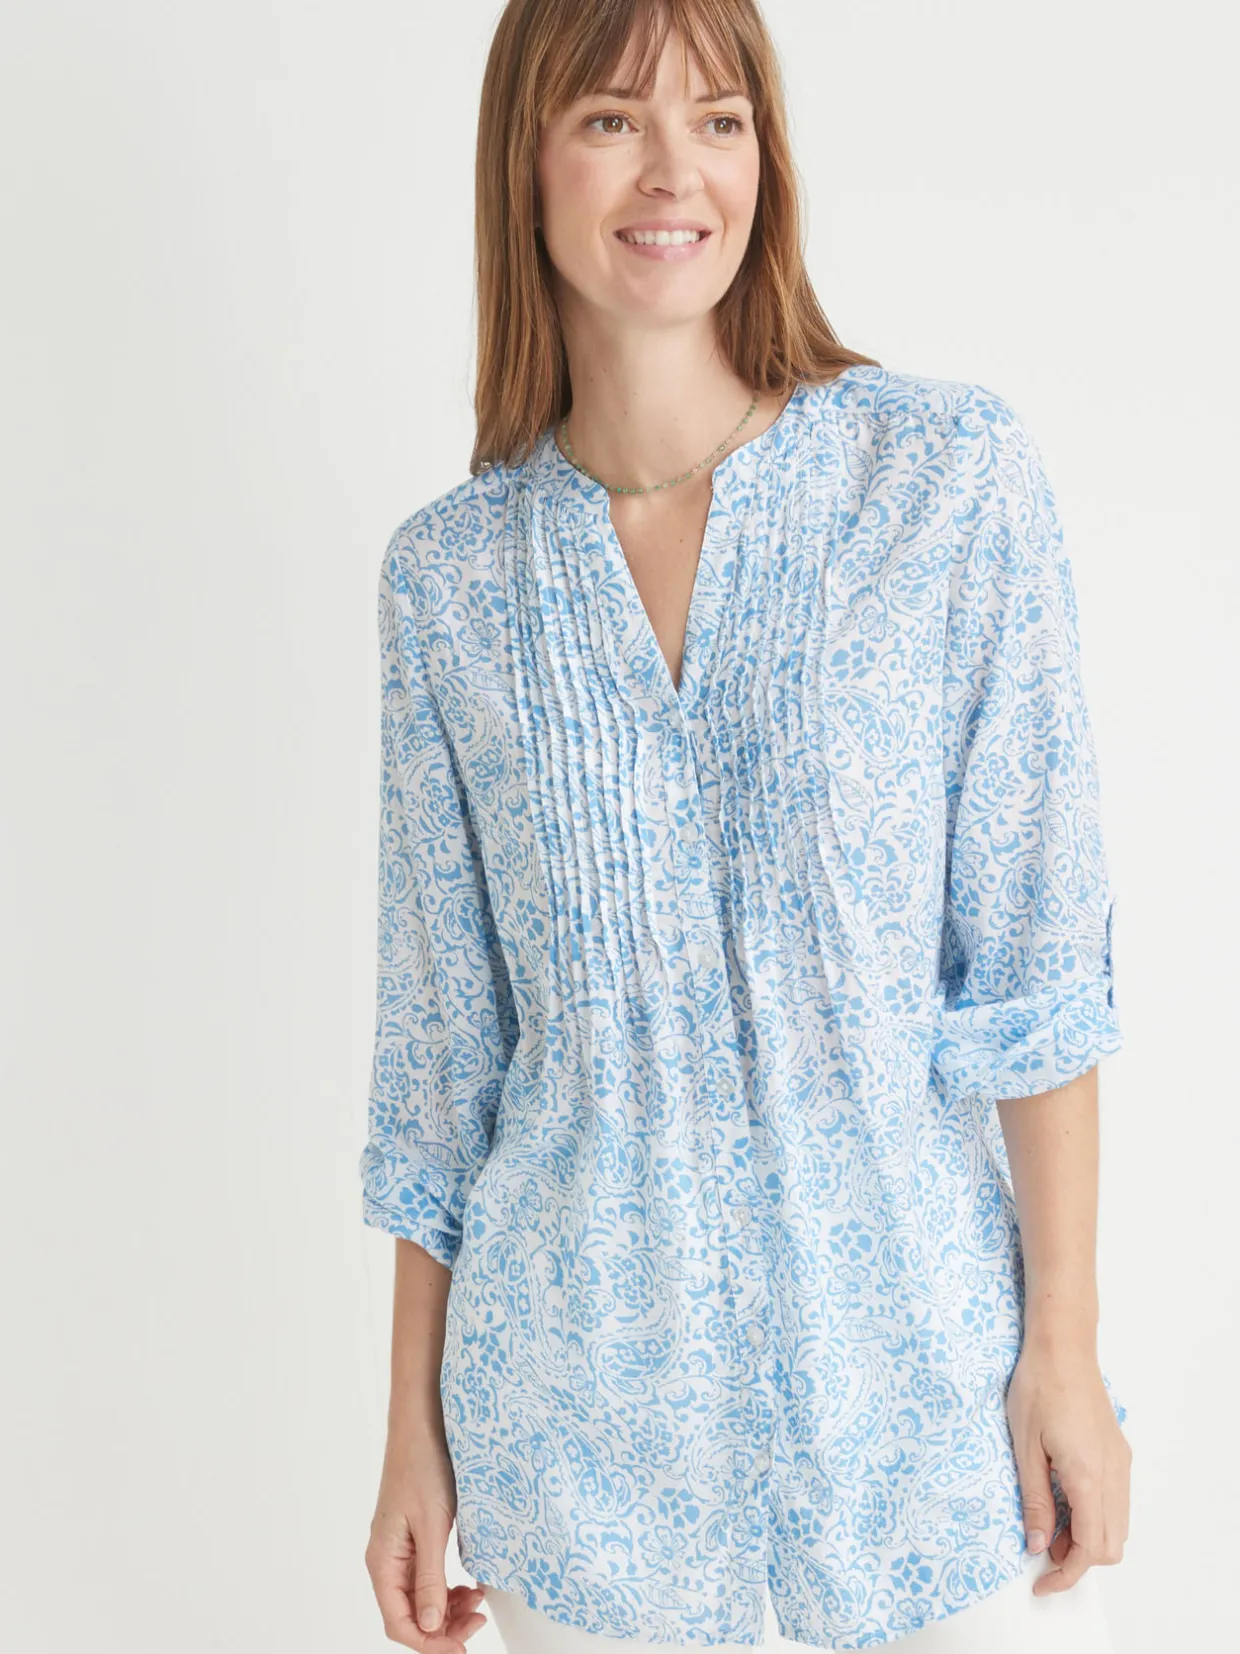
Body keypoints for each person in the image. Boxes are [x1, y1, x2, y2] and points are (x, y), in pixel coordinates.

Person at [359, 2, 1132, 1650]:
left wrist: (1063, 1345)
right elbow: (442, 1062)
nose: (675, 172)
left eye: (719, 120)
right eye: (611, 119)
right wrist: (410, 1428)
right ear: (525, 164)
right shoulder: (449, 584)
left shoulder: (943, 479)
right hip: (574, 1454)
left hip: (918, 1425)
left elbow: (1037, 963)